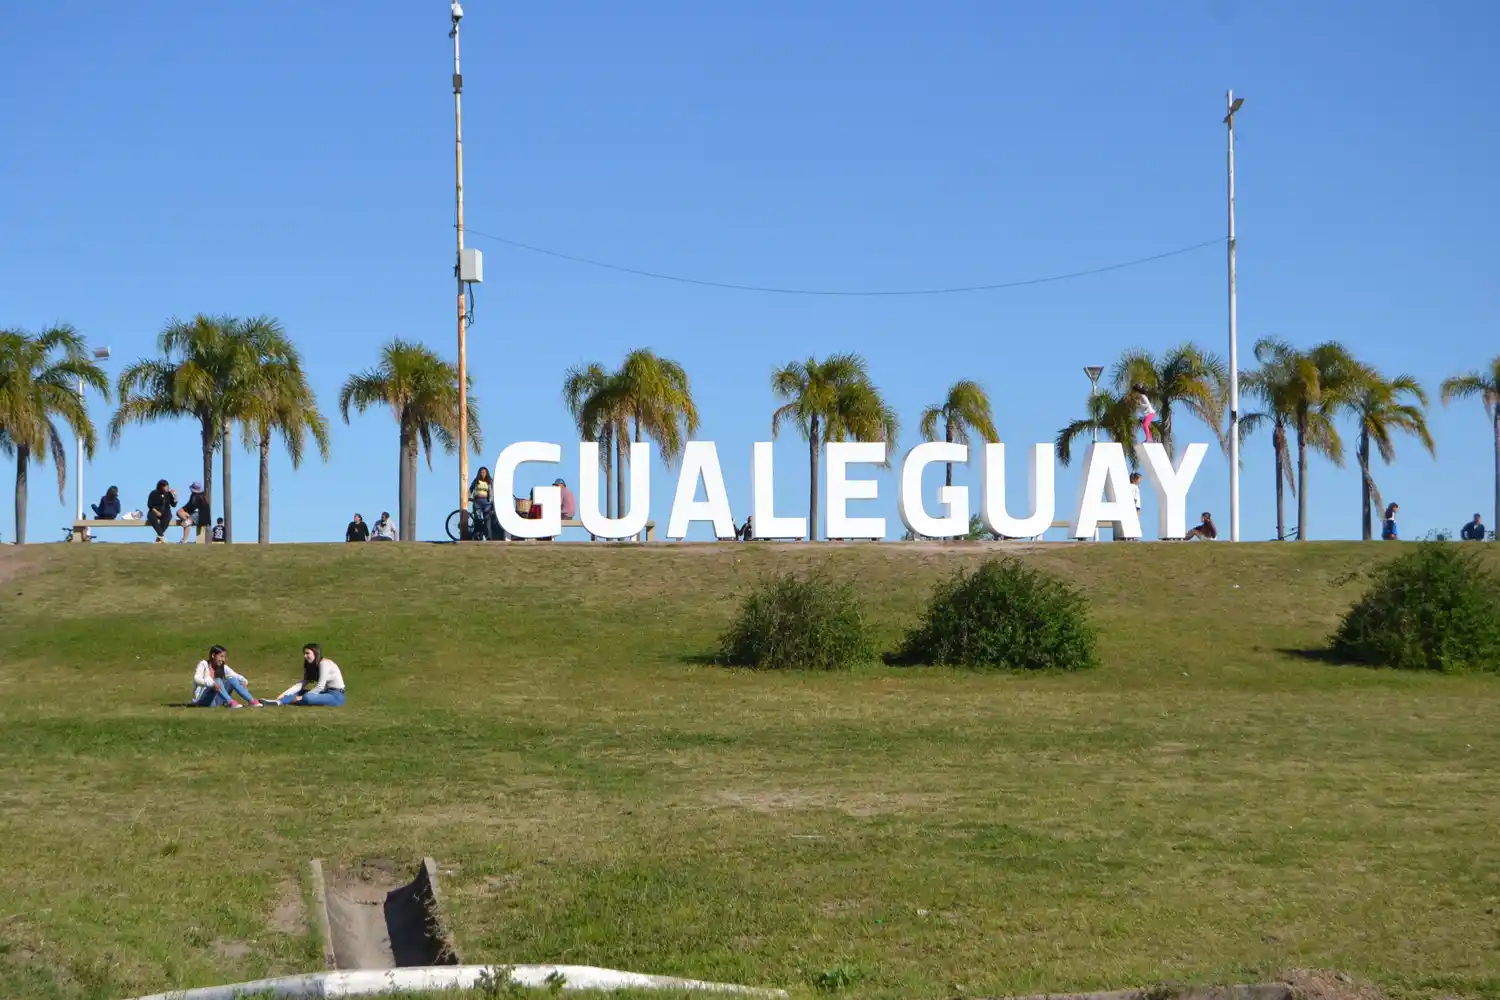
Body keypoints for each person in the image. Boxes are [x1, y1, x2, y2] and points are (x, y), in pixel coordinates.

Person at [271, 644, 346, 706]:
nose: (305, 656)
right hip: (325, 693)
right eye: (304, 653)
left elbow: (320, 686)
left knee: (307, 697)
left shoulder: (324, 663)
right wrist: (284, 694)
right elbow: (302, 683)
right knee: (299, 692)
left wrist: (301, 697)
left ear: (315, 653)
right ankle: (281, 701)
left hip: (336, 696)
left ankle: (286, 701)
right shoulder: (311, 665)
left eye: (307, 653)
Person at [191, 645, 264, 707]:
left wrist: (243, 681)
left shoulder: (223, 667)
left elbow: (235, 675)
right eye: (221, 656)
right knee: (217, 680)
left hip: (217, 701)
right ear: (213, 655)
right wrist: (212, 684)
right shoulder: (203, 664)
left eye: (224, 657)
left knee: (233, 679)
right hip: (203, 700)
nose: (223, 660)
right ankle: (230, 702)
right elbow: (197, 679)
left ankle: (252, 701)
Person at [470, 468, 495, 538]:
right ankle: (478, 536)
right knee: (477, 519)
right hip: (477, 501)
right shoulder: (476, 480)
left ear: (487, 473)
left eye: (484, 472)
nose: (482, 474)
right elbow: (471, 489)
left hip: (487, 502)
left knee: (487, 520)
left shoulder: (489, 481)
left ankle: (488, 536)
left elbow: (493, 491)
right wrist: (467, 497)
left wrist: (492, 501)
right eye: (481, 472)